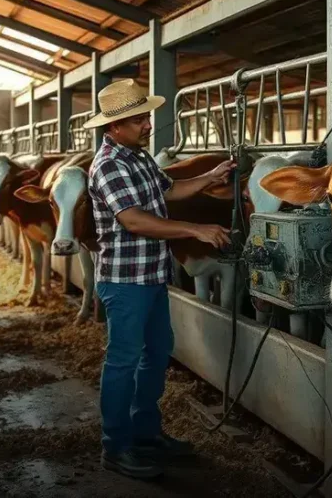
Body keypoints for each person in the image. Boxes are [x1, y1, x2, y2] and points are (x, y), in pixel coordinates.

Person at [82, 78, 234, 479]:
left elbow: (170, 190)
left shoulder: (139, 157)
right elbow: (132, 219)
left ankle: (146, 434)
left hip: (151, 276)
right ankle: (115, 446)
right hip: (124, 281)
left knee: (156, 351)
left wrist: (211, 175)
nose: (148, 125)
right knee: (123, 360)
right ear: (114, 127)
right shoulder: (109, 165)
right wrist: (195, 230)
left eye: (146, 116)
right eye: (138, 120)